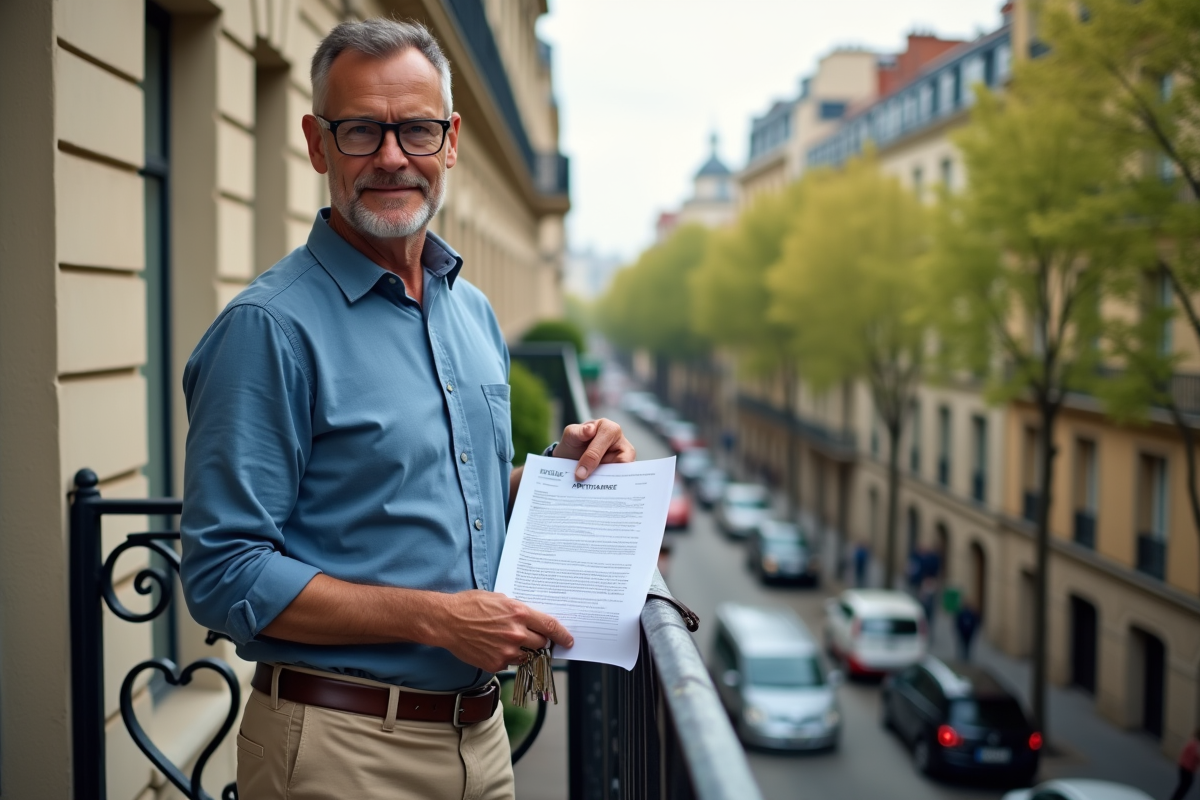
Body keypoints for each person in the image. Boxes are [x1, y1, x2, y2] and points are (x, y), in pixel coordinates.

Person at [178, 19, 635, 800]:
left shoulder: (473, 312)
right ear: (318, 145)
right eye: (361, 130)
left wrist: (561, 475)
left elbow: (451, 489)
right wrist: (435, 619)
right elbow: (224, 573)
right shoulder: (269, 329)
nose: (392, 157)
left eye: (416, 129)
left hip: (483, 742)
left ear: (450, 141)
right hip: (340, 751)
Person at [1170, 728, 1200, 800]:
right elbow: (1196, 756)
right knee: (1184, 786)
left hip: (1183, 767)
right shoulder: (1195, 745)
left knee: (1183, 786)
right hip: (1187, 769)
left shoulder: (1192, 742)